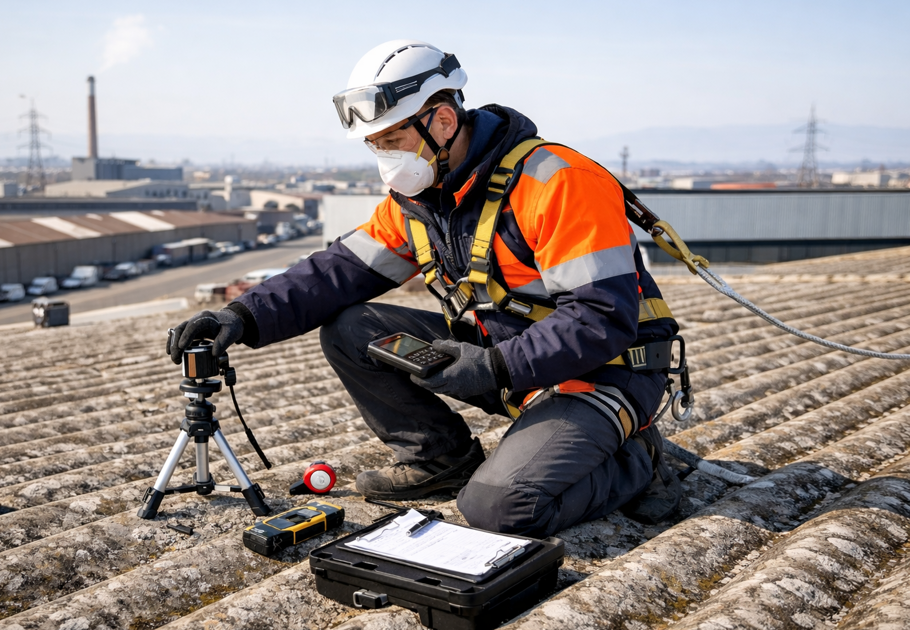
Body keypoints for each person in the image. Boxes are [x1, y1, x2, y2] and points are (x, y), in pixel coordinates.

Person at [168, 39, 682, 538]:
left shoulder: (558, 182)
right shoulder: (420, 201)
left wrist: (492, 368)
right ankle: (440, 459)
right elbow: (335, 274)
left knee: (499, 507)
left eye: (393, 140)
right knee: (352, 328)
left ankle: (641, 458)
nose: (386, 158)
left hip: (607, 370)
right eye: (376, 145)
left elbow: (600, 320)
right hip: (511, 359)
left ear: (442, 120)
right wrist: (242, 315)